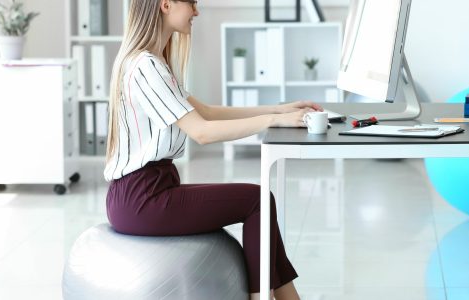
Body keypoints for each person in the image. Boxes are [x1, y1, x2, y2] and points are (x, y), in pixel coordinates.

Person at [104, 0, 322, 299]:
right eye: (192, 2)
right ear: (166, 4)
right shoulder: (146, 66)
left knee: (260, 204)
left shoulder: (150, 62)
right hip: (143, 198)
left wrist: (280, 109)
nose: (197, 11)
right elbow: (202, 131)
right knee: (258, 201)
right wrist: (274, 120)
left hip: (144, 192)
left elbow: (206, 112)